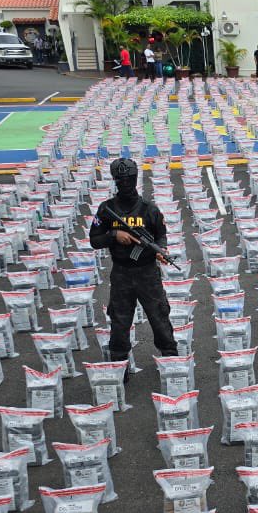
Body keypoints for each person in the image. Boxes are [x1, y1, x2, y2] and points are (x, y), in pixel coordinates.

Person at [88, 158, 179, 375]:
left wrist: (161, 250)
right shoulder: (106, 209)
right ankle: (119, 366)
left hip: (148, 273)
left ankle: (172, 363)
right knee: (120, 321)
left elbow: (161, 235)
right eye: (121, 180)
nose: (126, 184)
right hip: (121, 273)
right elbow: (94, 240)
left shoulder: (149, 209)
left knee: (159, 317)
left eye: (129, 179)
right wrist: (114, 235)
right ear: (115, 180)